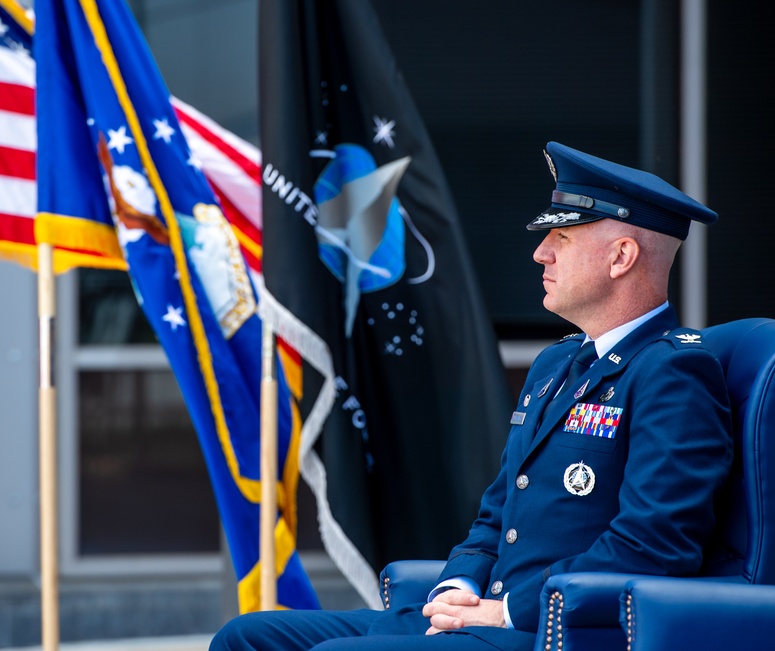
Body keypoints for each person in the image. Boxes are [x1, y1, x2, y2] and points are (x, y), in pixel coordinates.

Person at [210, 141, 733, 651]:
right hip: (482, 617)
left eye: (564, 237)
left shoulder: (674, 372)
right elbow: (497, 514)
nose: (540, 252)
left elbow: (653, 546)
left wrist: (506, 611)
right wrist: (457, 589)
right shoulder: (559, 363)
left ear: (622, 256)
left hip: (553, 632)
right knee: (248, 636)